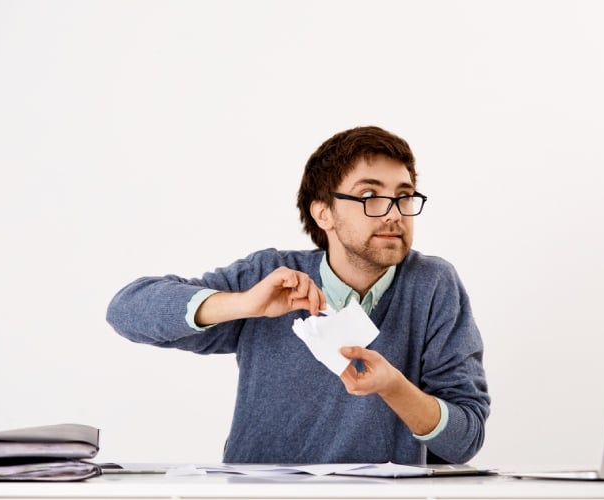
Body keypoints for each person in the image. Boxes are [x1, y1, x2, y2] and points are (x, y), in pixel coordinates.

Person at [106, 125, 489, 465]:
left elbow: (465, 441)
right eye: (370, 195)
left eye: (404, 197)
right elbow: (126, 311)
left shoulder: (433, 285)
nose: (394, 214)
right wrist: (244, 304)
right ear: (324, 213)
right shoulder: (270, 276)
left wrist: (394, 387)